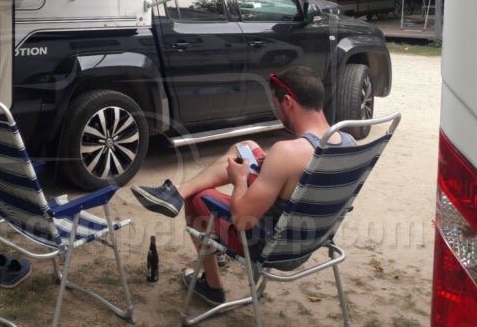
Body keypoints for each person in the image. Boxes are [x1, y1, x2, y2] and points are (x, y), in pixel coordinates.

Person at [131, 65, 355, 307]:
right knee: (246, 147)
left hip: (270, 247)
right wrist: (268, 169)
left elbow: (241, 220)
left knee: (197, 198)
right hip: (313, 239)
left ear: (288, 102)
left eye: (276, 105)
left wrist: (239, 180)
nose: (277, 113)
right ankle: (177, 191)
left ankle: (212, 287)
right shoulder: (348, 143)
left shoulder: (288, 153)